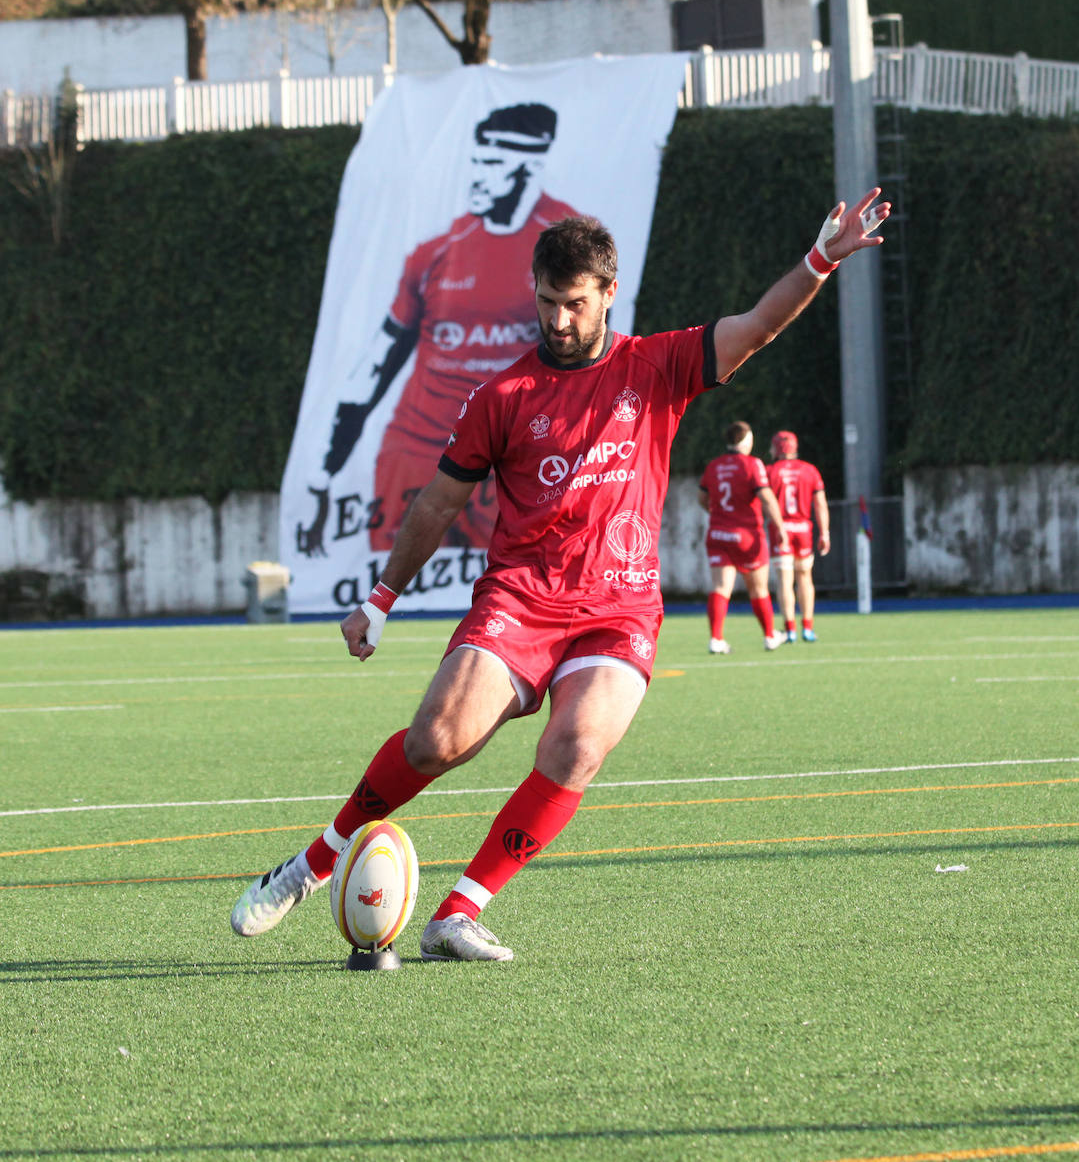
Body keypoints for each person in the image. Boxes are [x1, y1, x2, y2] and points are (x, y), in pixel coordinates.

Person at [232, 188, 889, 963]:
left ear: (609, 293)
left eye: (574, 304)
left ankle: (458, 912)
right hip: (521, 600)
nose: (558, 320)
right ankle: (312, 863)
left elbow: (757, 325)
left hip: (618, 610)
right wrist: (380, 600)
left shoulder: (658, 364)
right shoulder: (502, 394)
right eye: (547, 302)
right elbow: (439, 503)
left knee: (577, 745)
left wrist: (820, 260)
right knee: (436, 739)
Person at [296, 103, 581, 557]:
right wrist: (322, 477)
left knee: (516, 597)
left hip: (512, 459)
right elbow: (374, 368)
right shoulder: (437, 251)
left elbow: (589, 368)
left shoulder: (568, 246)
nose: (476, 177)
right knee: (390, 599)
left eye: (491, 164)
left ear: (528, 166)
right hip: (416, 453)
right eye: (475, 161)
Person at [697, 422, 790, 655]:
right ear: (747, 439)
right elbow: (766, 497)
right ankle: (770, 635)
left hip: (718, 533)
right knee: (758, 589)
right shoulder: (753, 464)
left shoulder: (714, 466)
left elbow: (702, 497)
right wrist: (780, 528)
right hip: (747, 535)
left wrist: (717, 513)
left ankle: (716, 639)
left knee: (721, 587)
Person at [767, 429, 830, 642]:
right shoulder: (809, 470)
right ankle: (808, 628)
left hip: (780, 529)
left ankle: (790, 629)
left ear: (776, 448)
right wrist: (825, 533)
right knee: (805, 577)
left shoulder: (770, 471)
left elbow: (762, 502)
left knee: (785, 580)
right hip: (803, 529)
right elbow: (820, 504)